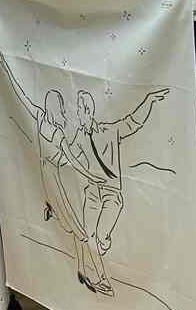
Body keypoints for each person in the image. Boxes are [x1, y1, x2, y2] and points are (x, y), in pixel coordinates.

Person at [0, 53, 104, 289]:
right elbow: (72, 161)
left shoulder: (38, 116)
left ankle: (79, 268)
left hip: (45, 177)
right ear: (57, 109)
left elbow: (21, 95)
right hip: (56, 180)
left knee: (75, 225)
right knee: (80, 230)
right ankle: (85, 271)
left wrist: (6, 68)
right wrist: (91, 176)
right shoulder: (57, 133)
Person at [71, 88, 170, 296]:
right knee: (89, 237)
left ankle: (105, 239)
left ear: (87, 111)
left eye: (79, 110)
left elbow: (132, 122)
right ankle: (102, 279)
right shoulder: (79, 138)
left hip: (111, 194)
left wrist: (148, 100)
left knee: (100, 236)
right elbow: (68, 156)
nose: (77, 115)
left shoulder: (109, 131)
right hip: (91, 193)